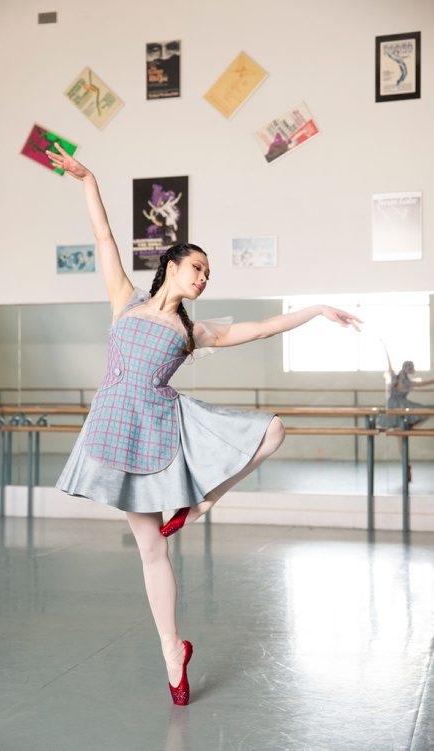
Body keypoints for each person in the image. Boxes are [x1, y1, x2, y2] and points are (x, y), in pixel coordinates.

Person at [46, 143, 361, 706]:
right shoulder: (124, 302)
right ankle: (173, 651)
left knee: (273, 430)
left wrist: (314, 310)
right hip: (118, 431)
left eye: (208, 274)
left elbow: (262, 327)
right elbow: (105, 239)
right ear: (171, 264)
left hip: (162, 423)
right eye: (197, 268)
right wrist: (88, 178)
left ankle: (202, 499)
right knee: (149, 552)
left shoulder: (194, 331)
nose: (203, 278)